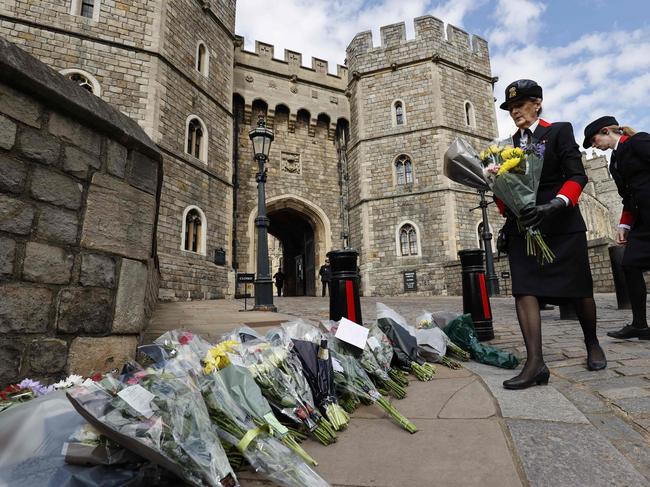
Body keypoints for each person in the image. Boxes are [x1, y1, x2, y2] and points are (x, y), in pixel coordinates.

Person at [497, 79, 606, 390]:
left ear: (538, 104)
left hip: (561, 221)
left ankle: (592, 343)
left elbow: (577, 175)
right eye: (510, 107)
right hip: (525, 226)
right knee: (524, 288)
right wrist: (509, 210)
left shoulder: (558, 131)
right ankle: (535, 363)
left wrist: (554, 205)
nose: (515, 111)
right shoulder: (506, 146)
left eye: (521, 104)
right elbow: (501, 188)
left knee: (580, 288)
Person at [584, 116, 650, 340]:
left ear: (606, 131)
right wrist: (624, 224)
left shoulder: (638, 142)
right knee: (630, 265)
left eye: (594, 140)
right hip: (642, 222)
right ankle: (640, 325)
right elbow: (627, 196)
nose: (594, 146)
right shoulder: (614, 162)